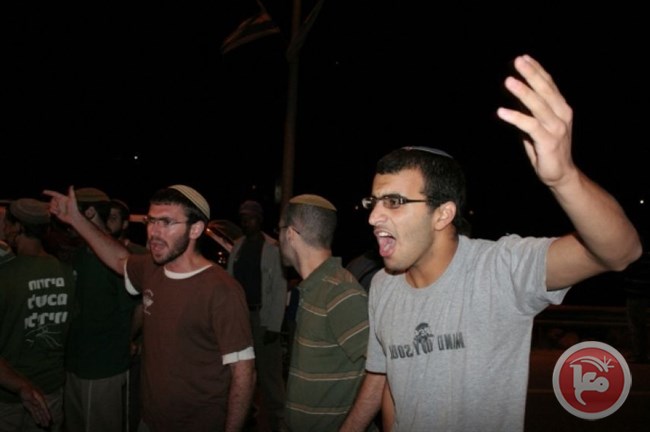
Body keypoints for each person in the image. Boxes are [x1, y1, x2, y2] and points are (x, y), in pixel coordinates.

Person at [339, 54, 642, 432]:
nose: (373, 217)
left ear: (442, 214)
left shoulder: (500, 269)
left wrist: (564, 178)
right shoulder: (383, 287)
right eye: (374, 202)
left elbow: (622, 252)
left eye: (395, 202)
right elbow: (391, 386)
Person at [44, 184, 255, 432]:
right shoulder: (152, 269)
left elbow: (244, 373)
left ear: (195, 229)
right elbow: (119, 259)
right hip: (150, 420)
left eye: (167, 222)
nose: (154, 232)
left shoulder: (221, 290)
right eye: (151, 221)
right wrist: (76, 220)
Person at [277, 194, 376, 432]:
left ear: (290, 234)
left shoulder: (340, 292)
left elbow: (382, 373)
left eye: (279, 229)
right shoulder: (315, 287)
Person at [61, 187, 140, 432]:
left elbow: (138, 308)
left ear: (89, 212)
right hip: (76, 363)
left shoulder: (115, 259)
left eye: (73, 211)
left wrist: (125, 341)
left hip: (103, 366)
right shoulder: (80, 254)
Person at [0, 198, 76, 431]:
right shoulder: (66, 273)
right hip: (49, 390)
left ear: (17, 227)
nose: (3, 228)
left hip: (7, 394)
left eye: (6, 223)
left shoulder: (5, 275)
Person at [227, 200, 287, 432]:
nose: (246, 222)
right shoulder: (238, 246)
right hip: (241, 317)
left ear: (259, 220)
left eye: (250, 218)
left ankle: (279, 420)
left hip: (262, 316)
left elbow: (279, 288)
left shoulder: (272, 248)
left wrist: (274, 325)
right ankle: (247, 414)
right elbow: (230, 282)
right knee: (242, 370)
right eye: (243, 218)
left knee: (270, 373)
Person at [107, 197, 148, 431]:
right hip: (106, 349)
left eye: (113, 218)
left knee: (131, 403)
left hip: (133, 345)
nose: (107, 223)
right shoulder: (94, 254)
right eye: (105, 217)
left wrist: (131, 338)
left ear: (124, 224)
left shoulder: (139, 255)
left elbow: (144, 304)